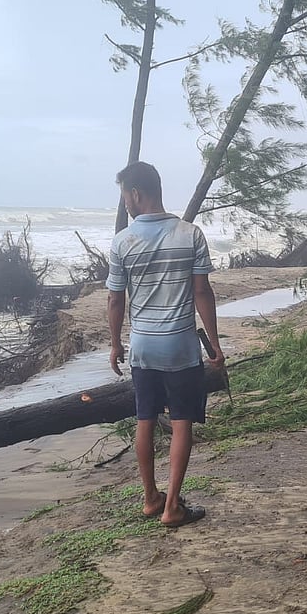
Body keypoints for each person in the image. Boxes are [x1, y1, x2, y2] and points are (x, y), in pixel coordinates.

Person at [106, 162, 223, 529]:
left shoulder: (123, 240)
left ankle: (149, 497)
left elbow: (114, 300)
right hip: (180, 345)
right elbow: (202, 291)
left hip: (143, 344)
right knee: (181, 422)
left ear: (136, 193)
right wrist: (214, 344)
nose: (125, 202)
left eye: (125, 194)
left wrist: (114, 344)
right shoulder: (190, 234)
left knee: (144, 419)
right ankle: (172, 505)